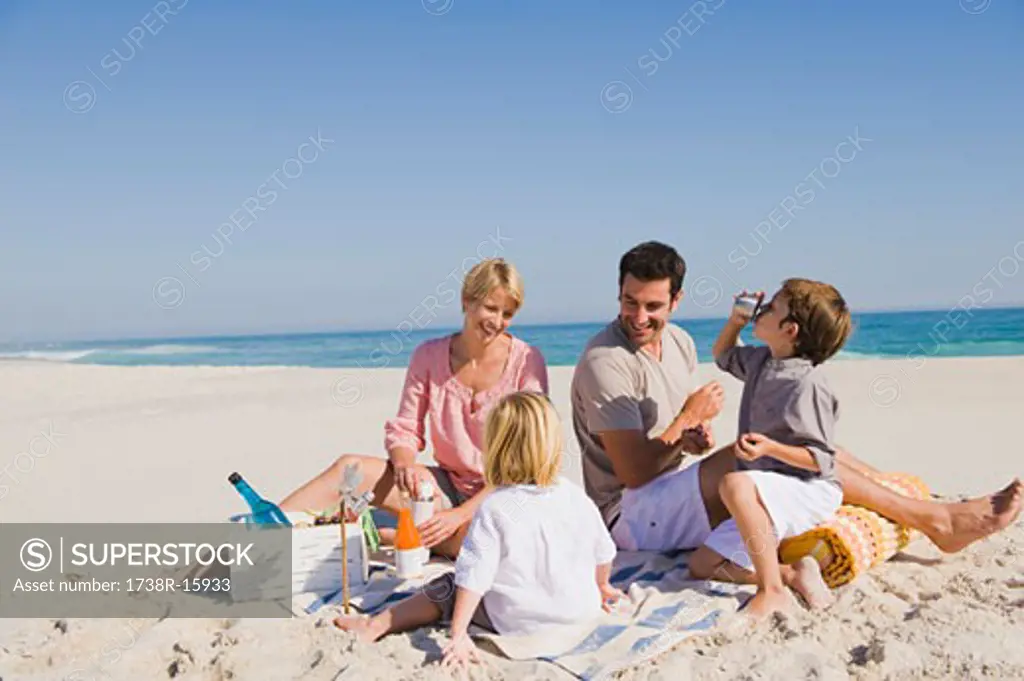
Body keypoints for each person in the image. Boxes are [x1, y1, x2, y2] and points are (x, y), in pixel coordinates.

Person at [571, 241, 1022, 576]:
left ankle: (902, 501)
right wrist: (686, 419)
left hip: (674, 491)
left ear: (676, 301)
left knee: (810, 443)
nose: (639, 317)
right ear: (618, 293)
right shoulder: (605, 362)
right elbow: (634, 474)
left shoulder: (679, 342)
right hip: (627, 517)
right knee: (771, 452)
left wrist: (691, 439)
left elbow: (664, 445)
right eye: (629, 302)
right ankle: (935, 519)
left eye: (653, 305)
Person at [334, 392, 624, 672]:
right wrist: (602, 586)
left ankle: (373, 626)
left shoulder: (496, 507)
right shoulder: (574, 495)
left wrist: (458, 634)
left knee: (445, 586)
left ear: (497, 448)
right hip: (581, 613)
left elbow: (472, 579)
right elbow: (604, 552)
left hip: (520, 622)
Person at [280, 258, 549, 558]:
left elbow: (526, 464)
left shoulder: (527, 362)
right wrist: (405, 463)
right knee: (349, 469)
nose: (497, 321)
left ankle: (393, 535)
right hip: (446, 486)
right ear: (466, 300)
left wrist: (459, 517)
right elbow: (406, 429)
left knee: (483, 542)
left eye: (507, 313)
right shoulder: (428, 356)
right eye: (490, 307)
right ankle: (260, 536)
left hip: (504, 493)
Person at [687, 279, 851, 617]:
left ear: (789, 330)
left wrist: (771, 449)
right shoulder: (763, 360)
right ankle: (792, 573)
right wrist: (737, 320)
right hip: (768, 489)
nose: (762, 310)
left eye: (772, 307)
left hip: (810, 488)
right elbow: (723, 355)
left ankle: (770, 590)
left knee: (734, 483)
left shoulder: (808, 383)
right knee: (701, 566)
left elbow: (821, 459)